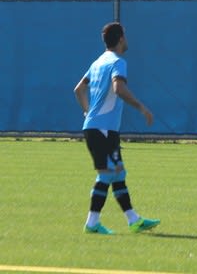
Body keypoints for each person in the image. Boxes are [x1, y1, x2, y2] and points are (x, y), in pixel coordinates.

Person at [73, 22, 160, 235]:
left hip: (100, 128)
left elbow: (79, 89)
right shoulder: (118, 62)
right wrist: (141, 107)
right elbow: (118, 88)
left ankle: (133, 219)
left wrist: (87, 112)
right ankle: (92, 223)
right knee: (107, 174)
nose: (127, 40)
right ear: (121, 39)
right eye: (126, 36)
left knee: (118, 173)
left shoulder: (97, 63)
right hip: (102, 129)